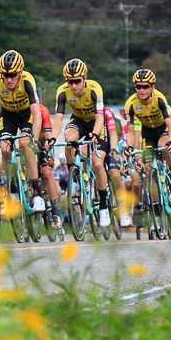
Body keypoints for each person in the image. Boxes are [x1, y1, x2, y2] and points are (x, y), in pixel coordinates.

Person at [0, 50, 46, 213]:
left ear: (20, 73)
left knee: (25, 144)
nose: (9, 79)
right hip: (8, 115)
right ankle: (13, 191)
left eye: (13, 75)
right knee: (4, 149)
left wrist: (34, 137)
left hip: (27, 114)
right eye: (5, 75)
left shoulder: (28, 80)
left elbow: (37, 114)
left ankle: (37, 194)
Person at [52, 58, 111, 229]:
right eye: (70, 82)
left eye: (77, 81)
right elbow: (59, 120)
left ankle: (104, 207)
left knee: (98, 164)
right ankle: (74, 177)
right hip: (78, 120)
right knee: (69, 139)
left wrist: (95, 134)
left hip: (96, 124)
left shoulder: (94, 89)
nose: (74, 86)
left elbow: (100, 117)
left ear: (84, 78)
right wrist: (52, 138)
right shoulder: (62, 92)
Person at [123, 69, 171, 220]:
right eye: (138, 87)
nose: (141, 90)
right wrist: (129, 147)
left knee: (164, 147)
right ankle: (156, 202)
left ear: (152, 87)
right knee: (149, 169)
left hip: (162, 130)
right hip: (147, 133)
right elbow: (130, 131)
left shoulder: (159, 99)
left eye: (145, 86)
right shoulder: (131, 104)